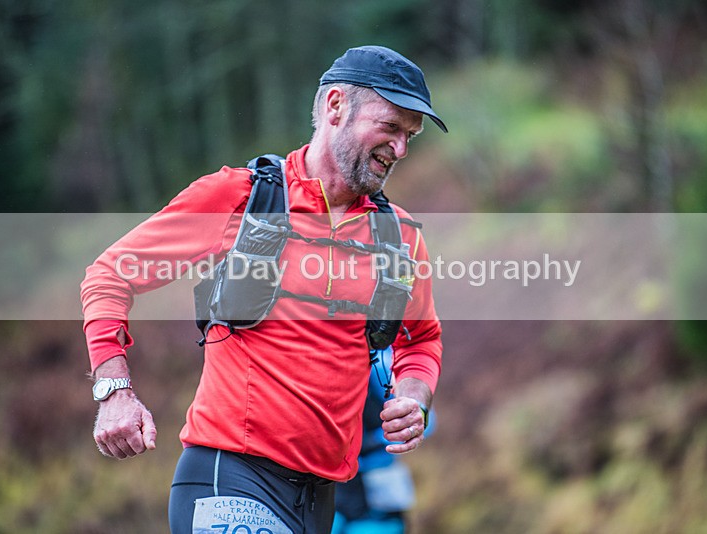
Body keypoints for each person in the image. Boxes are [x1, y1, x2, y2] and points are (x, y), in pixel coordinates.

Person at [81, 45, 446, 534]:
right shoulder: (241, 196)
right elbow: (109, 275)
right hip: (230, 474)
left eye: (410, 137)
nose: (400, 149)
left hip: (322, 496)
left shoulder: (399, 238)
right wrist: (115, 391)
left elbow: (420, 339)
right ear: (336, 107)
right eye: (391, 128)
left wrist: (414, 397)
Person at [331, 348, 435, 534]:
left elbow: (427, 421)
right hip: (334, 482)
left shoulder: (380, 363)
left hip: (378, 480)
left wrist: (377, 441)